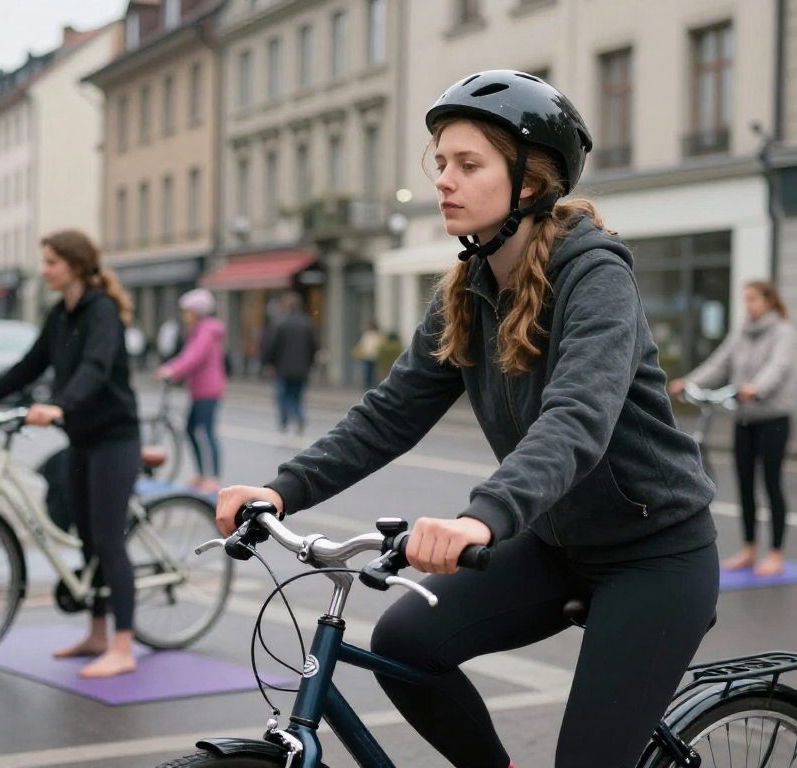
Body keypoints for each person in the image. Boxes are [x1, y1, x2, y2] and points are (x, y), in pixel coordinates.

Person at [213, 71, 719, 768]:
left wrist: (483, 517)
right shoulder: (470, 287)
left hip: (654, 553)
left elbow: (577, 418)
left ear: (531, 183)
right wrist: (281, 490)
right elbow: (389, 413)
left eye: (468, 164)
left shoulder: (595, 275)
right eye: (441, 163)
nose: (444, 180)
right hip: (555, 543)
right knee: (404, 645)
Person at [0, 229, 142, 679]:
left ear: (75, 265)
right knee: (86, 538)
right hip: (80, 438)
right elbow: (30, 364)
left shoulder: (102, 313)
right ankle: (97, 633)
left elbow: (96, 368)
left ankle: (123, 644)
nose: (44, 270)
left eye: (51, 262)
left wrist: (61, 404)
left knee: (109, 540)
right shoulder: (61, 314)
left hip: (115, 437)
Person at [670, 281, 796, 577]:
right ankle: (750, 549)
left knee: (772, 485)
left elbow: (778, 367)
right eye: (745, 299)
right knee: (745, 485)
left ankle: (776, 552)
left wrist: (756, 388)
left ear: (768, 301)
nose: (748, 305)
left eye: (752, 299)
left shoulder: (783, 331)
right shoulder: (742, 331)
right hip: (744, 419)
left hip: (773, 419)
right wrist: (690, 382)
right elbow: (719, 363)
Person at [156, 288, 226, 494]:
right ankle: (203, 475)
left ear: (197, 311)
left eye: (187, 311)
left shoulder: (206, 330)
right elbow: (188, 355)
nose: (184, 315)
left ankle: (212, 477)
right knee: (192, 429)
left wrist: (172, 370)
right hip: (200, 389)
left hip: (208, 389)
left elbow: (194, 356)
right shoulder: (199, 329)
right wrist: (172, 366)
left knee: (206, 431)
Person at [261, 292, 317, 434]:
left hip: (283, 368)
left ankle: (286, 419)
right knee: (297, 396)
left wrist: (269, 363)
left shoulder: (280, 323)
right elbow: (314, 347)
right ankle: (298, 417)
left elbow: (272, 346)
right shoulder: (307, 323)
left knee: (283, 396)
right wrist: (310, 364)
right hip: (302, 369)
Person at [352, 320, 383, 388]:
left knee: (370, 370)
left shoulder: (374, 335)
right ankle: (369, 383)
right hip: (369, 355)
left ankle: (370, 383)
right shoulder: (370, 335)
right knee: (369, 370)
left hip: (372, 355)